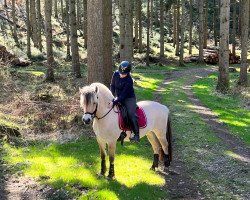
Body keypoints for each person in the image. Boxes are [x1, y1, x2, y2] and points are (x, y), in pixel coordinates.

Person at [109, 61, 140, 142]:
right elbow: (112, 85)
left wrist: (114, 101)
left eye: (124, 74)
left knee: (130, 114)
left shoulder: (129, 80)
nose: (121, 75)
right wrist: (111, 96)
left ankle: (136, 135)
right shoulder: (115, 74)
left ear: (128, 72)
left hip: (128, 98)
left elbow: (123, 95)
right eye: (120, 73)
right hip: (117, 97)